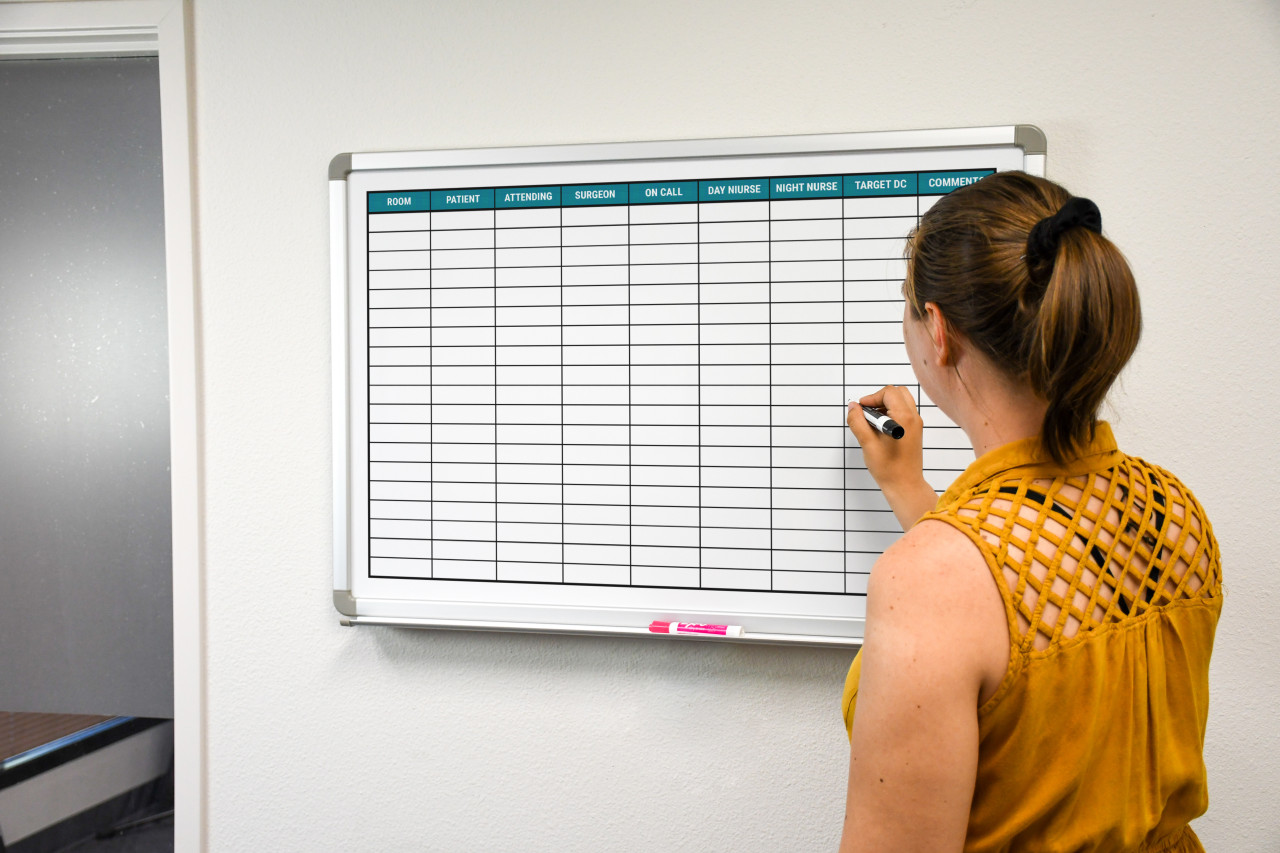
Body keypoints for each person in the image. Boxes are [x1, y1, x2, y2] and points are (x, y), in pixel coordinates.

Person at [837, 171, 1221, 853]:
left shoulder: (930, 580)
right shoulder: (1172, 510)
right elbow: (1041, 631)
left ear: (938, 330)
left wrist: (929, 533)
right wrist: (911, 493)